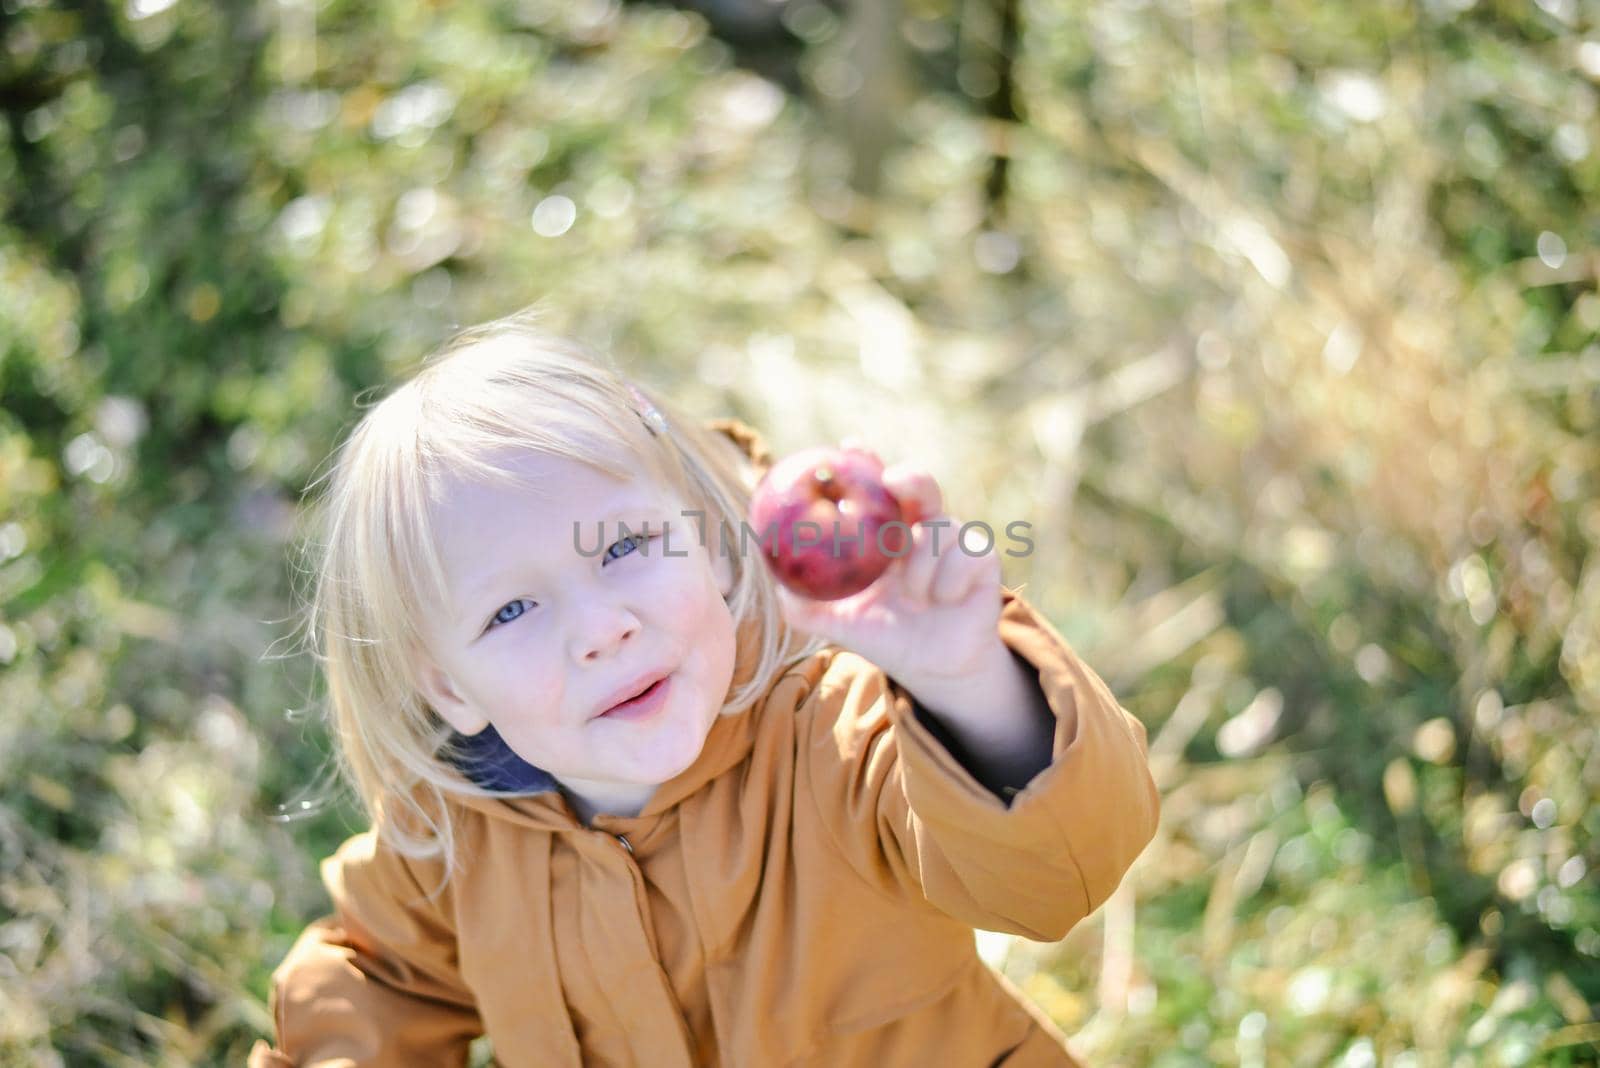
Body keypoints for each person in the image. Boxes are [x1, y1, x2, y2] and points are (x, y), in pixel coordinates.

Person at [248, 309, 1161, 1067]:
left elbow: (1057, 873)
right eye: (514, 610)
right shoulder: (454, 838)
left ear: (711, 541)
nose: (601, 629)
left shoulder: (837, 737)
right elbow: (379, 976)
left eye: (623, 549)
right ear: (449, 686)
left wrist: (963, 681)